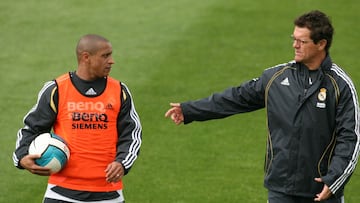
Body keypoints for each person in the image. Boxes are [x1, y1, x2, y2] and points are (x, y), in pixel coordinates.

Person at [165, 10, 359, 203]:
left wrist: (334, 179)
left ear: (321, 44)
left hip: (321, 191)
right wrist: (190, 110)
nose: (295, 45)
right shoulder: (276, 78)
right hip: (280, 187)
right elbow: (236, 98)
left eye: (302, 41)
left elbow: (350, 138)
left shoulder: (340, 86)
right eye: (294, 39)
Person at [13, 34, 142, 203]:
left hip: (108, 195)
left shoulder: (119, 91)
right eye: (105, 56)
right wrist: (22, 157)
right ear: (86, 57)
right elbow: (31, 129)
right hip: (60, 193)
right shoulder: (57, 89)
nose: (112, 61)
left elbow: (132, 134)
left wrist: (122, 163)